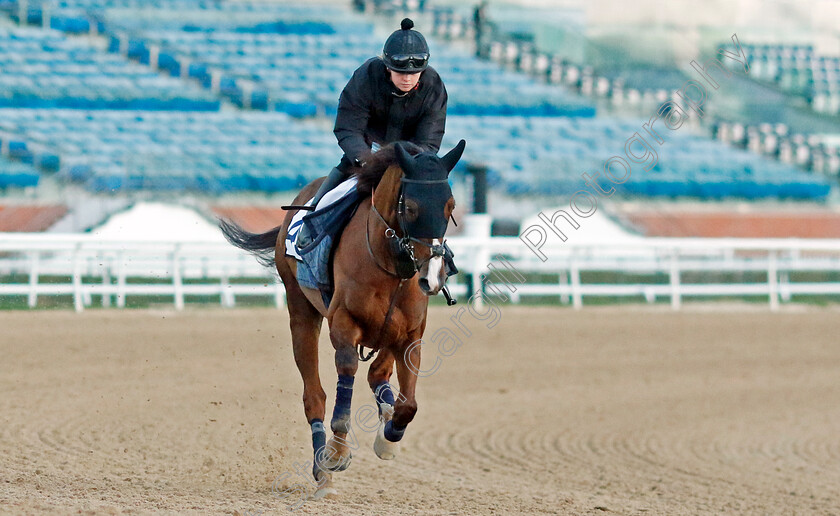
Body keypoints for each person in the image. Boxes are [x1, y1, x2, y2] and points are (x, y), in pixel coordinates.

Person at [296, 17, 448, 247]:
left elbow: (430, 139)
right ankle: (311, 220)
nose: (407, 78)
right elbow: (348, 127)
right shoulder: (366, 76)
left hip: (410, 158)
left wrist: (409, 163)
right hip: (366, 150)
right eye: (399, 72)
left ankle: (436, 253)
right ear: (387, 67)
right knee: (344, 173)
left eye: (414, 73)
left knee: (432, 198)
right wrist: (368, 161)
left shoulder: (434, 85)